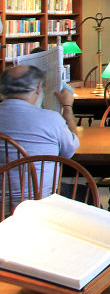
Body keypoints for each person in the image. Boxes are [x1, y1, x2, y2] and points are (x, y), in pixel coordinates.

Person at [0, 66, 79, 206]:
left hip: (1, 206)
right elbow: (70, 152)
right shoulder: (51, 119)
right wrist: (67, 107)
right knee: (86, 195)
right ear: (38, 88)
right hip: (40, 205)